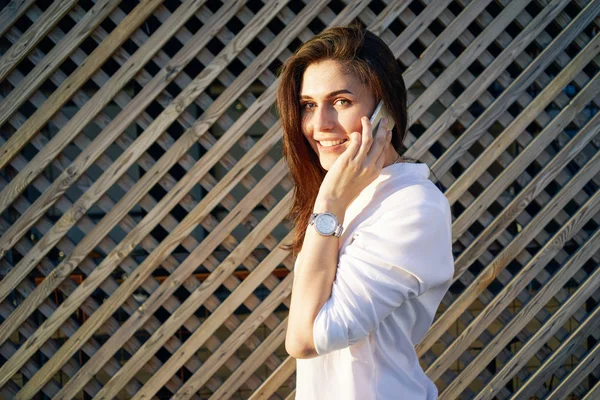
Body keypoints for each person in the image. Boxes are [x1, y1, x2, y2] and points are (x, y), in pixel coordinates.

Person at [276, 24, 455, 400]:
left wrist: (329, 204)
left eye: (340, 101)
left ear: (384, 110)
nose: (319, 125)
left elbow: (305, 340)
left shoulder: (412, 207)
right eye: (309, 105)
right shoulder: (352, 196)